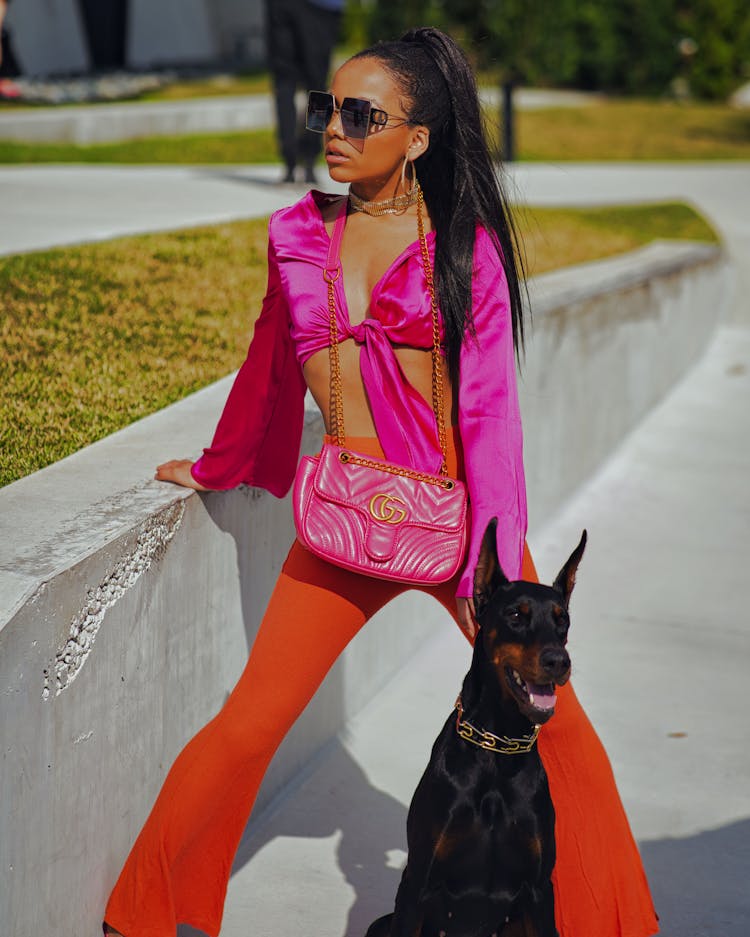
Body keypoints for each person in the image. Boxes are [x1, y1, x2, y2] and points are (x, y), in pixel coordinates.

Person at [103, 27, 659, 937]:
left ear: (417, 137)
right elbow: (268, 368)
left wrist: (495, 565)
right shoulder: (294, 236)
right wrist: (218, 466)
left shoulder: (462, 250)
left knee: (557, 728)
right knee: (247, 725)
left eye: (363, 114)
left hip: (460, 532)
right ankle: (144, 916)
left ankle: (616, 925)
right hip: (345, 521)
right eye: (327, 108)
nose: (335, 128)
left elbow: (488, 415)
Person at [265, 0, 345, 184]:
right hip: (319, 8)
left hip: (286, 7)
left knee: (286, 84)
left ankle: (292, 162)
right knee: (317, 90)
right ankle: (307, 159)